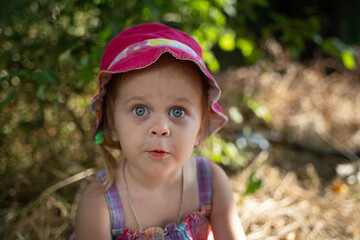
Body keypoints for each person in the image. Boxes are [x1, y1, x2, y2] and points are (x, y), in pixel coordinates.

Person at [74, 23, 246, 240]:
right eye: (140, 110)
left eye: (177, 111)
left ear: (200, 129)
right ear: (112, 125)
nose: (160, 128)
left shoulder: (210, 182)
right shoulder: (100, 203)